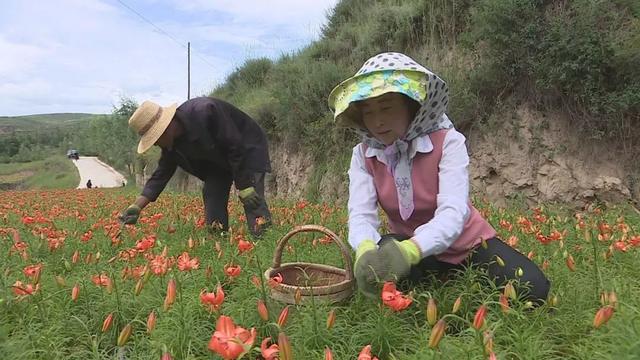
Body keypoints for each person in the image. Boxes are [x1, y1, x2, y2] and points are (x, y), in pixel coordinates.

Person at [328, 52, 550, 302]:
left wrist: (412, 250)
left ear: (412, 106)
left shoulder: (448, 142)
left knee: (533, 288)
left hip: (467, 246)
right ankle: (435, 282)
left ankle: (447, 279)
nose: (377, 122)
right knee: (377, 270)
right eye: (367, 112)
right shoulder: (363, 155)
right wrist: (366, 247)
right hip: (408, 246)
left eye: (387, 108)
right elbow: (360, 214)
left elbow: (453, 212)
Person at [119, 97, 272, 236]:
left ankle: (264, 238)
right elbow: (161, 174)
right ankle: (218, 237)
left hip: (247, 148)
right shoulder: (172, 146)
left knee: (252, 197)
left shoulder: (205, 111)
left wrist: (244, 185)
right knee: (212, 193)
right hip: (217, 162)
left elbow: (234, 144)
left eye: (155, 139)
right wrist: (137, 206)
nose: (156, 144)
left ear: (165, 128)